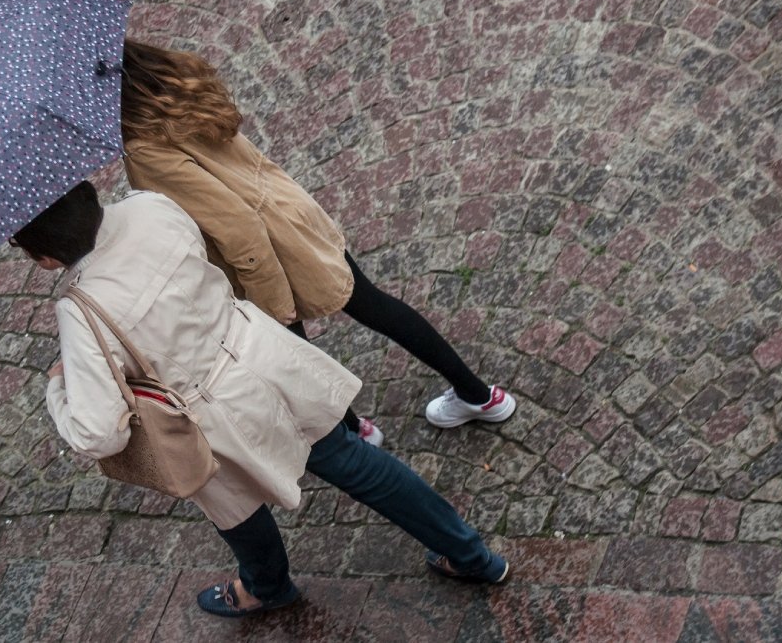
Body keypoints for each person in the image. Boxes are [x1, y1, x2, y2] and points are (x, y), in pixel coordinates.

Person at [12, 182, 509, 617]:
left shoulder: (80, 309)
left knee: (237, 508)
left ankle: (265, 587)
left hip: (207, 410)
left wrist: (60, 387)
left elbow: (100, 431)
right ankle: (471, 556)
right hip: (262, 353)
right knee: (353, 461)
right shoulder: (150, 207)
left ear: (46, 257)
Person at [117, 40, 517, 445]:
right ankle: (479, 396)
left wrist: (268, 299)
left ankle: (356, 434)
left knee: (300, 356)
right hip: (292, 216)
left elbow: (236, 224)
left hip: (266, 255)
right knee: (374, 305)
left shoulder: (144, 148)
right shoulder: (177, 82)